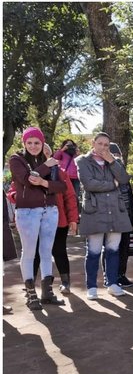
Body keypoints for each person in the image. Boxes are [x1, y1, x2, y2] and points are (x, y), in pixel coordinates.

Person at [8, 127, 66, 311]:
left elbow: (61, 186)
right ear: (24, 143)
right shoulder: (16, 160)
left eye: (37, 142)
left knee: (46, 252)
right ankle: (31, 294)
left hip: (49, 210)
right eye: (29, 142)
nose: (33, 146)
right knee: (29, 252)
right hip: (27, 212)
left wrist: (44, 182)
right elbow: (27, 180)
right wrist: (45, 168)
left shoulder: (48, 161)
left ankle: (47, 292)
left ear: (42, 143)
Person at [76, 132, 132, 299]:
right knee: (93, 251)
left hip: (115, 210)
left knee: (113, 250)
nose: (103, 147)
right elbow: (89, 184)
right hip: (94, 211)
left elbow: (123, 179)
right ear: (93, 143)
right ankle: (91, 286)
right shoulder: (82, 161)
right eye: (100, 143)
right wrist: (112, 184)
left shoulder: (115, 162)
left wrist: (111, 162)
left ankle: (112, 283)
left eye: (106, 145)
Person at [26, 143, 78, 296]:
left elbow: (70, 197)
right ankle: (30, 286)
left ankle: (65, 282)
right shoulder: (29, 173)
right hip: (34, 219)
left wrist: (73, 219)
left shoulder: (61, 173)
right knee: (34, 252)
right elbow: (15, 191)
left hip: (58, 220)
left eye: (47, 152)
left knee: (59, 250)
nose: (45, 155)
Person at [101, 143, 133, 287]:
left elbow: (130, 198)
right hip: (110, 218)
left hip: (126, 218)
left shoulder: (122, 172)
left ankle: (121, 274)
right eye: (112, 155)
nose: (115, 158)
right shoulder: (103, 172)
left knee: (124, 248)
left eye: (117, 155)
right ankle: (108, 276)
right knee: (110, 248)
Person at [53, 139, 81, 206]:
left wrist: (78, 153)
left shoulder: (76, 153)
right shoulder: (62, 153)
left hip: (75, 178)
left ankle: (75, 210)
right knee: (65, 195)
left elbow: (81, 162)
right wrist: (63, 149)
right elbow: (55, 157)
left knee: (75, 195)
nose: (69, 146)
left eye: (71, 144)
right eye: (68, 144)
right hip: (65, 177)